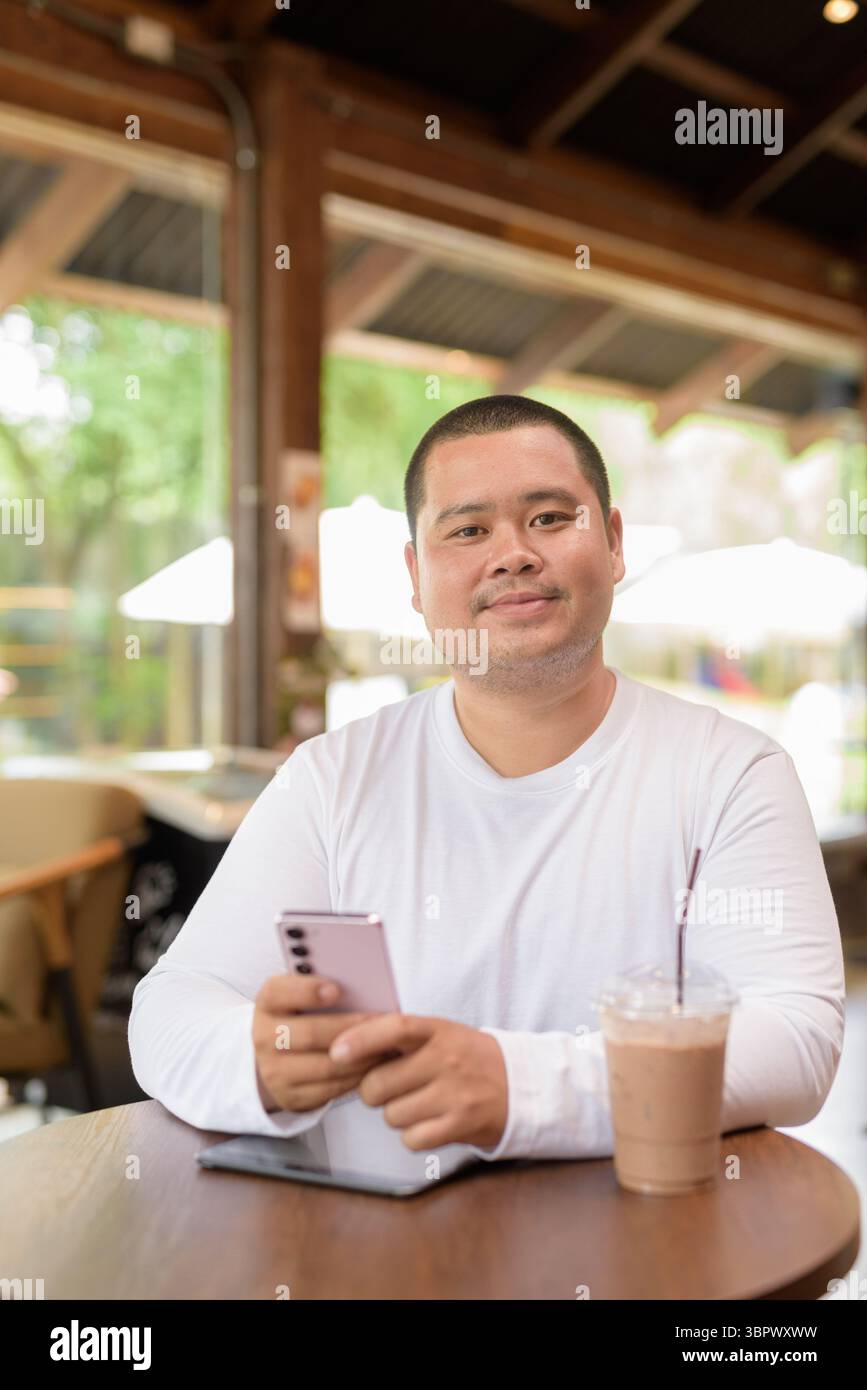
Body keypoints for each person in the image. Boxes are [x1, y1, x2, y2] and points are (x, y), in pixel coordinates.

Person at [128, 395, 844, 1162]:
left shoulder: (728, 772)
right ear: (415, 574)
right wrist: (259, 1058)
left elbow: (791, 1040)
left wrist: (519, 1087)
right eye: (467, 530)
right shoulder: (331, 779)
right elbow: (171, 1007)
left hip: (642, 1244)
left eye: (547, 518)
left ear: (612, 543)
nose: (511, 555)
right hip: (381, 1254)